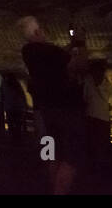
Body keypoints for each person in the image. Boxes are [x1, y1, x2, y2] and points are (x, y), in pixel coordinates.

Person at [19, 16, 86, 194]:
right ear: (39, 31)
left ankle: (54, 188)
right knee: (72, 155)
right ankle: (60, 190)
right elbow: (78, 66)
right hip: (65, 108)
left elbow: (56, 57)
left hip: (46, 110)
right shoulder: (51, 51)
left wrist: (70, 46)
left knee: (53, 153)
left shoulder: (28, 51)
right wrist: (81, 43)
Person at [2, 71, 28, 142]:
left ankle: (12, 137)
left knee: (10, 123)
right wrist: (25, 105)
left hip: (9, 106)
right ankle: (18, 137)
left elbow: (3, 95)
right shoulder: (17, 85)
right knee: (18, 123)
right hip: (18, 106)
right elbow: (22, 95)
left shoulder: (5, 84)